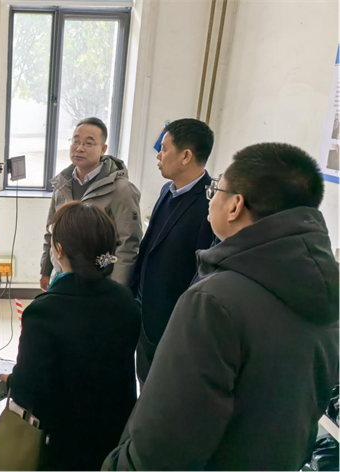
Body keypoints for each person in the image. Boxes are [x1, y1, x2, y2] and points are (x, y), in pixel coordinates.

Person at [104, 143, 340, 471]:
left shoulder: (214, 301)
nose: (211, 197)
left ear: (235, 206)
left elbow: (164, 446)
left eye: (216, 189)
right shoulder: (324, 286)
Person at [2, 201, 141, 472]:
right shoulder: (127, 303)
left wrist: (11, 381)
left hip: (62, 443)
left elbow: (30, 389)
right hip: (116, 438)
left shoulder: (43, 312)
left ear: (59, 249)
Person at [131, 118, 215, 383]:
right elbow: (149, 246)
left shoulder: (210, 205)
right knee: (145, 381)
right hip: (146, 311)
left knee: (164, 388)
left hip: (173, 321)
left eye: (164, 149)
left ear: (186, 156)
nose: (159, 155)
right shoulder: (167, 190)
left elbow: (203, 271)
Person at [40, 117, 142, 290]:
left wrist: (115, 289)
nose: (79, 148)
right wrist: (46, 270)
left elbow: (128, 244)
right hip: (63, 278)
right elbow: (52, 230)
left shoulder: (121, 189)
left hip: (100, 283)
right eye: (76, 141)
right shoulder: (63, 184)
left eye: (88, 143)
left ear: (103, 149)